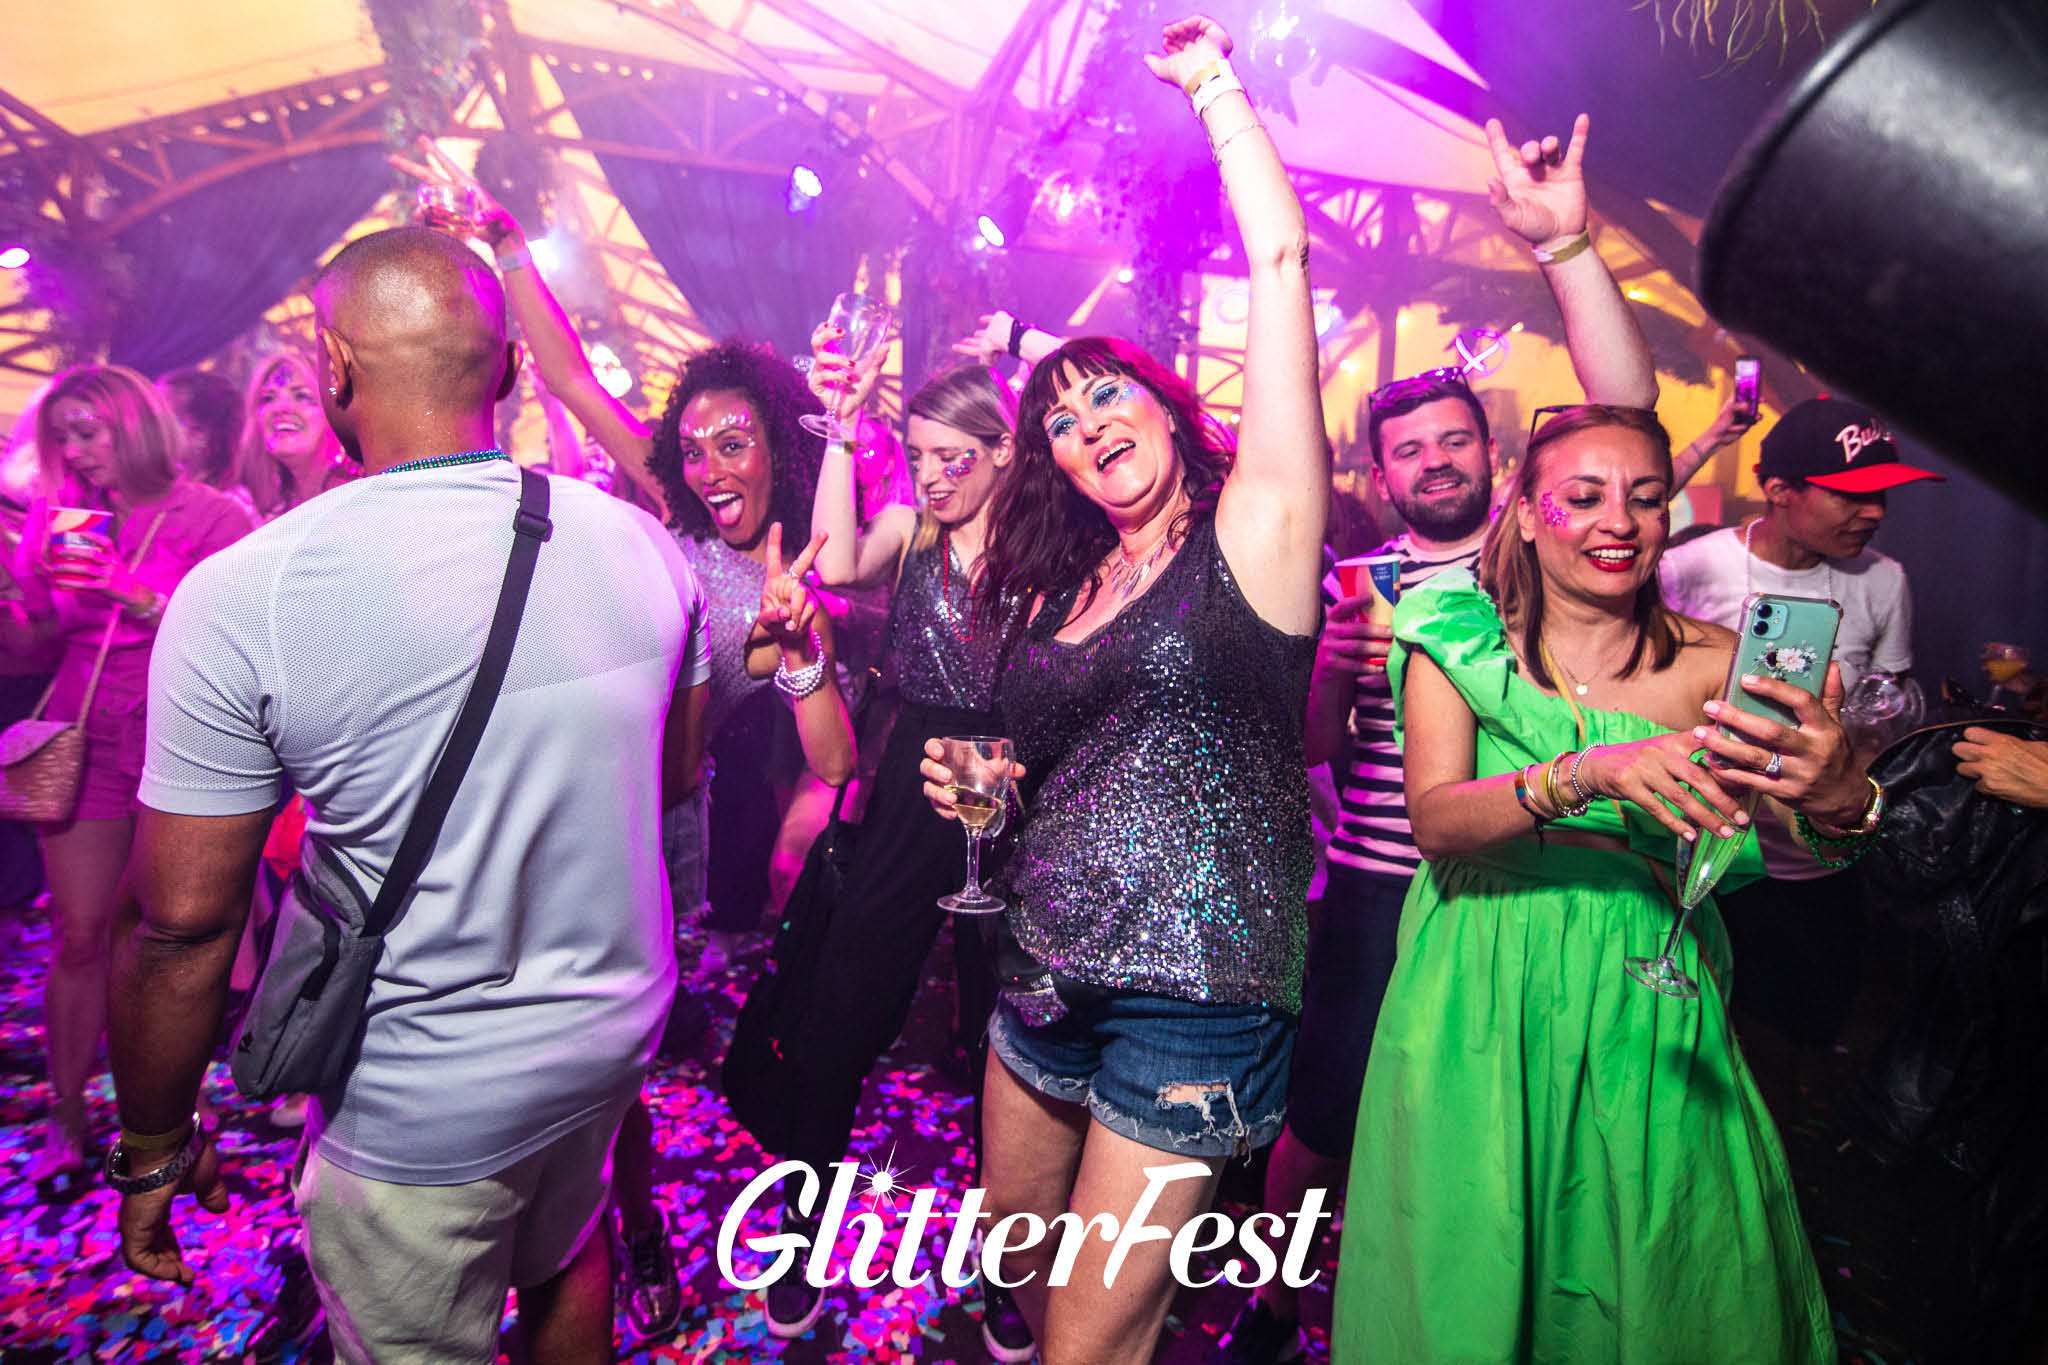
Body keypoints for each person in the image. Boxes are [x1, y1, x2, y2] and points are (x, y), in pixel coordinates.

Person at [103, 226, 710, 1363]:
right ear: (511, 370)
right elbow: (669, 779)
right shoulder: (642, 547)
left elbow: (182, 927)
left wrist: (151, 1144)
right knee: (568, 1253)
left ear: (333, 366)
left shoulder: (246, 593)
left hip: (424, 1096)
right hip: (609, 1039)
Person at [1211, 111, 1662, 1363]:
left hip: (1526, 879)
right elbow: (1309, 750)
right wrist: (1330, 672)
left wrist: (1565, 247)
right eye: (1407, 450)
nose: (1433, 461)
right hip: (1374, 888)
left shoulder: (1542, 558)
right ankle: (1274, 1301)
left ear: (1494, 456)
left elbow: (1621, 413)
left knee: (1496, 1124)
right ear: (1379, 474)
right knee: (1322, 1118)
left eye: (1453, 440)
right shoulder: (1350, 584)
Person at [917, 17, 1327, 1360]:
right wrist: (985, 786)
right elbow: (1053, 773)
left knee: (1095, 1339)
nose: (1087, 426)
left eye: (1105, 399)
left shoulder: (1254, 537)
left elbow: (1279, 261)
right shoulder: (1064, 589)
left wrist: (1211, 86)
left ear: (1162, 403)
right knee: (1021, 1267)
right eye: (1060, 422)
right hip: (1041, 967)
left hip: (1194, 997)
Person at [1333, 404, 1884, 1362]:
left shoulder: (1720, 666)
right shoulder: (1456, 639)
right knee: (1470, 1253)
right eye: (1583, 497)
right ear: (1528, 512)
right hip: (1478, 980)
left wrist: (1843, 796)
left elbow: (1813, 842)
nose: (1618, 521)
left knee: (1660, 1253)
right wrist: (1588, 772)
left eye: (1646, 498)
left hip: (1648, 990)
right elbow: (1438, 820)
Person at [748, 353, 1029, 1352]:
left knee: (1004, 1038)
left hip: (1009, 775)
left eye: (955, 457)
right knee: (844, 1007)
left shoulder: (1047, 549)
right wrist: (840, 427)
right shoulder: (913, 533)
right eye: (918, 457)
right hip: (914, 772)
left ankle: (1006, 1267)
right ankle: (800, 1231)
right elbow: (830, 562)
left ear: (1004, 451)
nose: (933, 476)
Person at [0, 364, 252, 1196]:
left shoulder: (214, 516)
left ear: (135, 425)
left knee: (164, 935)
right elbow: (34, 644)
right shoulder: (61, 518)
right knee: (78, 933)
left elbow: (234, 636)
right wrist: (15, 600)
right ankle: (68, 1111)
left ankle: (169, 1107)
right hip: (86, 736)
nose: (75, 450)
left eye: (89, 431)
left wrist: (131, 591)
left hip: (180, 740)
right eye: (63, 436)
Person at [1659, 396, 1940, 1051]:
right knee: (1691, 1037)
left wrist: (1861, 736)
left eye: (1882, 495)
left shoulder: (1884, 580)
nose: (1875, 512)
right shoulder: (1692, 567)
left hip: (1818, 867)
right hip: (1700, 855)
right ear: (1779, 490)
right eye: (1851, 494)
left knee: (1796, 1041)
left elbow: (1889, 702)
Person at [239, 350, 357, 519]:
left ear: (334, 413)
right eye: (268, 398)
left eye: (302, 396)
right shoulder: (263, 511)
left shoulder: (358, 494)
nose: (280, 408)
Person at [155, 367, 256, 513]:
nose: (149, 429)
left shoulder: (231, 507)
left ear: (200, 432)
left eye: (163, 419)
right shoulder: (162, 494)